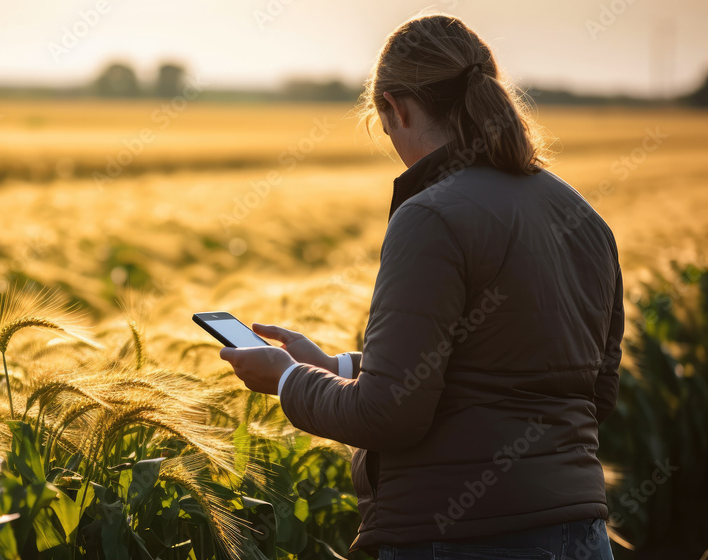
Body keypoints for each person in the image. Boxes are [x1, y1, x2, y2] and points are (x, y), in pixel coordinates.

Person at [220, 14, 622, 560]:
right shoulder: (586, 219)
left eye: (383, 126)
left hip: (460, 538)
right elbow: (586, 391)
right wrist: (336, 368)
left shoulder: (431, 216)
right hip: (582, 536)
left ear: (395, 108)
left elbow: (389, 414)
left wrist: (289, 380)